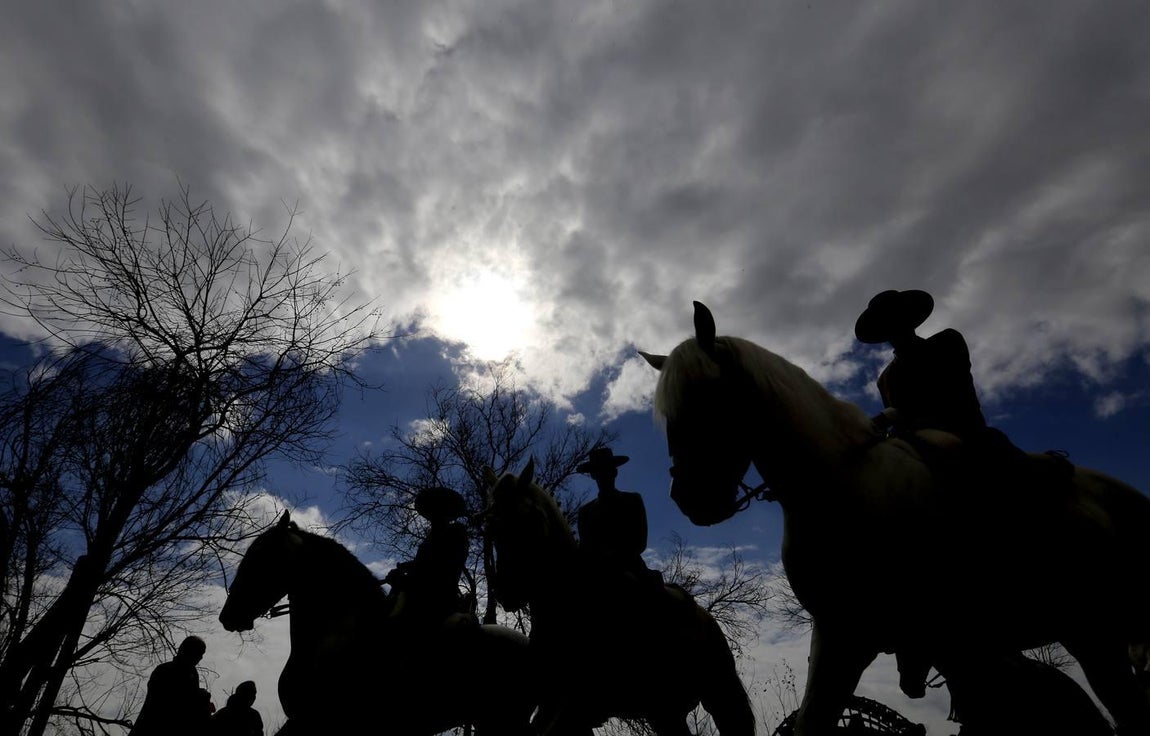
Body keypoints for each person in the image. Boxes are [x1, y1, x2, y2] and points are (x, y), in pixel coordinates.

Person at [854, 289, 1027, 472]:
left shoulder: (946, 341)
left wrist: (888, 417)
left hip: (965, 432)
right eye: (887, 322)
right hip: (911, 443)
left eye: (898, 317)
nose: (896, 326)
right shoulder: (885, 378)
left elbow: (951, 389)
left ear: (910, 318)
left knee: (998, 458)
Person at [575, 447, 664, 593]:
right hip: (595, 570)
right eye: (599, 470)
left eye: (607, 469)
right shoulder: (585, 511)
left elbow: (640, 541)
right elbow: (585, 547)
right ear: (593, 475)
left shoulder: (633, 500)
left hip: (631, 566)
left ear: (614, 472)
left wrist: (614, 558)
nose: (604, 474)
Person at [385, 486, 472, 629]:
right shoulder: (431, 536)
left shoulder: (456, 532)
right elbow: (426, 562)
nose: (433, 516)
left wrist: (404, 580)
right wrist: (408, 566)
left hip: (437, 599)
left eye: (438, 509)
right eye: (431, 511)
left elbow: (441, 569)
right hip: (418, 591)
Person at [128, 635, 211, 736]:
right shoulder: (164, 670)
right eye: (198, 652)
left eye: (202, 654)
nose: (201, 657)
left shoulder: (192, 673)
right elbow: (161, 704)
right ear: (186, 650)